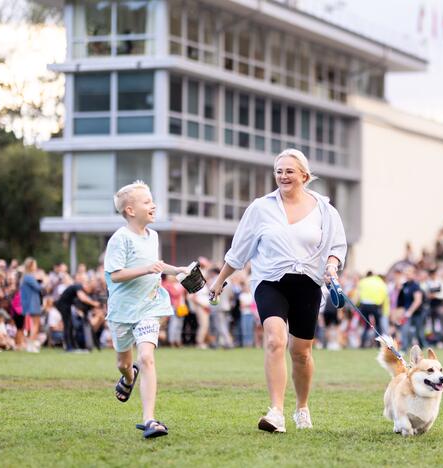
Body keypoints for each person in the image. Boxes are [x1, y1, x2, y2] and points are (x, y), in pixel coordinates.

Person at [208, 149, 347, 433]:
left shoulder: (325, 210)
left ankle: (302, 407)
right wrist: (219, 280)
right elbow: (240, 249)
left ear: (304, 176)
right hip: (269, 281)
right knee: (274, 339)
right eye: (279, 171)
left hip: (308, 283)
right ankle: (276, 412)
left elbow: (336, 247)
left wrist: (332, 266)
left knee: (301, 352)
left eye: (289, 171)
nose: (283, 176)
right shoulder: (261, 208)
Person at [103, 180, 191, 439]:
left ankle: (149, 419)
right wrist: (147, 269)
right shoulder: (120, 239)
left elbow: (157, 265)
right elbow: (116, 275)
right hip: (122, 311)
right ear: (130, 210)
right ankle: (128, 379)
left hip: (149, 306)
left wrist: (179, 271)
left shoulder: (154, 236)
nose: (153, 205)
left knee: (147, 357)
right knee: (123, 363)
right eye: (146, 202)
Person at [55, 279, 100, 352]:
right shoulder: (78, 287)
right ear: (87, 286)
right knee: (68, 326)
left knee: (70, 326)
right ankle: (69, 347)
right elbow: (83, 298)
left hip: (66, 306)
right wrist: (94, 303)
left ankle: (71, 346)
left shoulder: (77, 287)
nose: (88, 292)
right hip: (63, 306)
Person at [355, 271, 389, 347]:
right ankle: (378, 344)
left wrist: (356, 306)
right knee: (378, 325)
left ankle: (362, 344)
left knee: (366, 325)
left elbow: (358, 295)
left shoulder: (362, 281)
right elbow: (385, 296)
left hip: (364, 305)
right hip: (375, 305)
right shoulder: (380, 282)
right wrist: (385, 311)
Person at [19, 258, 44, 353]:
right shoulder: (28, 277)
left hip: (33, 303)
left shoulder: (26, 277)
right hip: (32, 303)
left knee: (35, 324)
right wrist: (42, 280)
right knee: (35, 325)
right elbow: (38, 287)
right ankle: (30, 344)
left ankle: (32, 344)